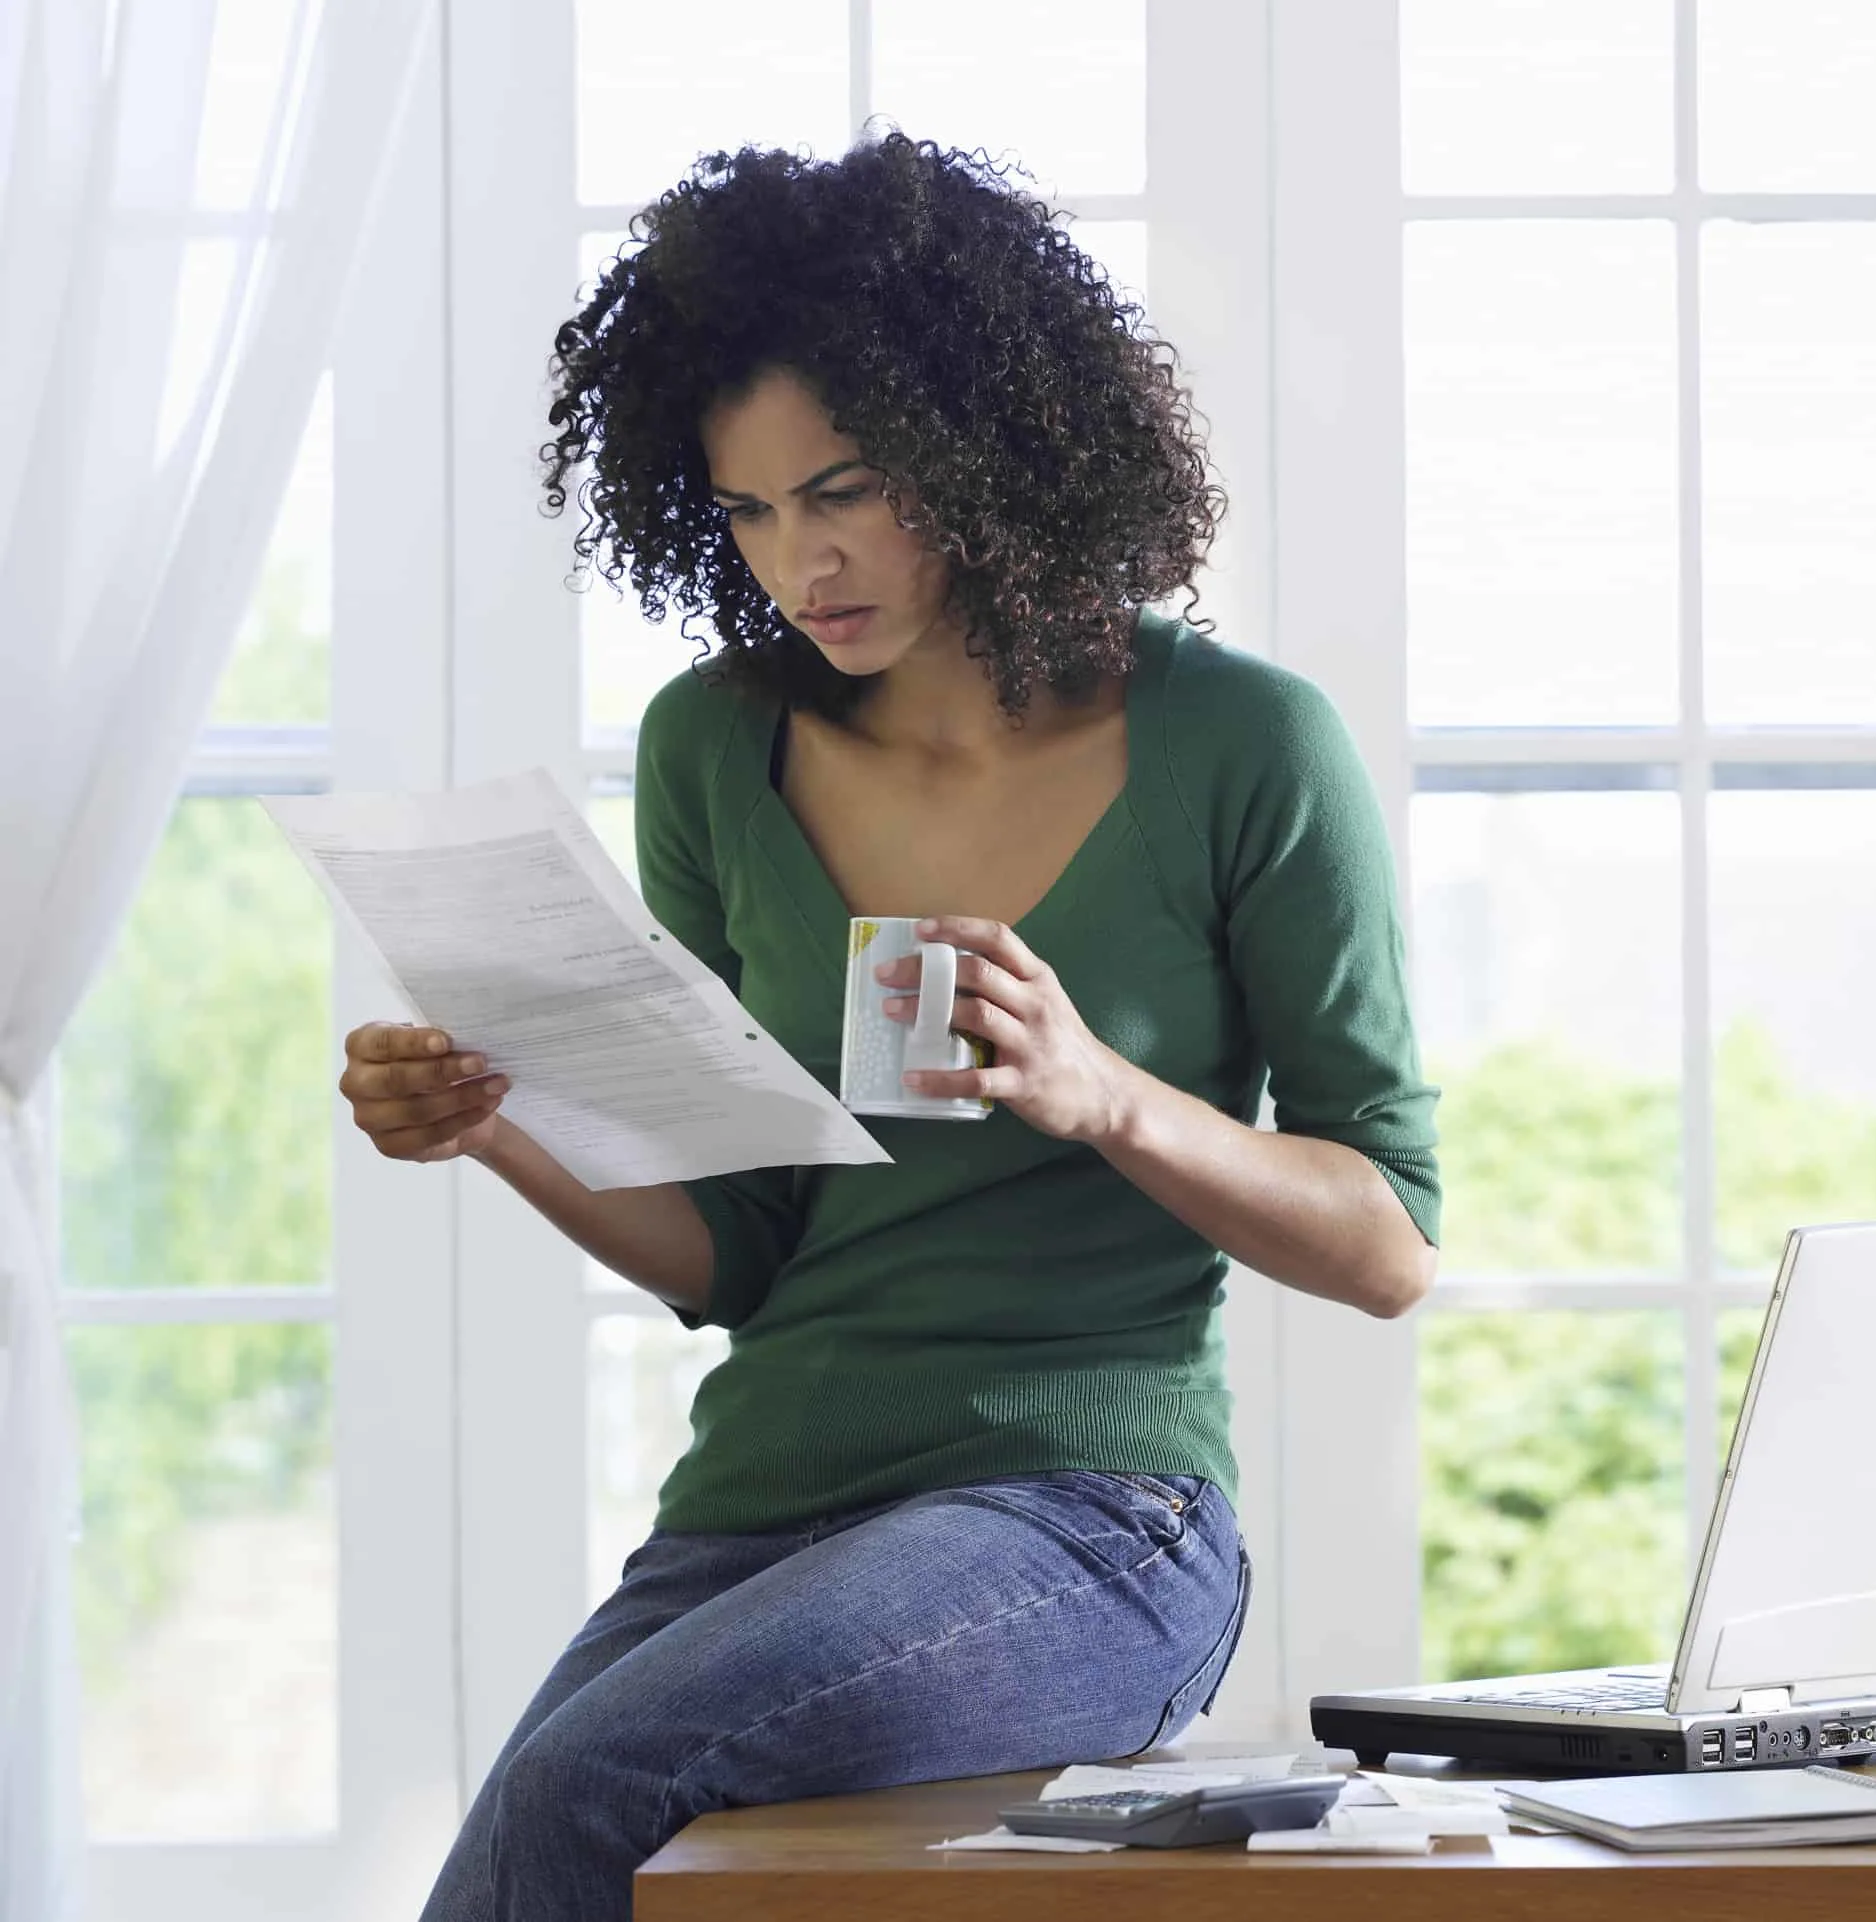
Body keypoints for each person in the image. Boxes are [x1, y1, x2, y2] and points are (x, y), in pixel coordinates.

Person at [332, 134, 1440, 1921]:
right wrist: (502, 1123)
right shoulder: (715, 745)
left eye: (842, 488)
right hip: (761, 1507)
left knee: (585, 1786)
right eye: (751, 510)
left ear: (986, 445)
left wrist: (1107, 1098)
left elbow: (1388, 1244)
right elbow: (743, 1243)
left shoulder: (1246, 744)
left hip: (1090, 1519)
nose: (801, 558)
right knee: (510, 1865)